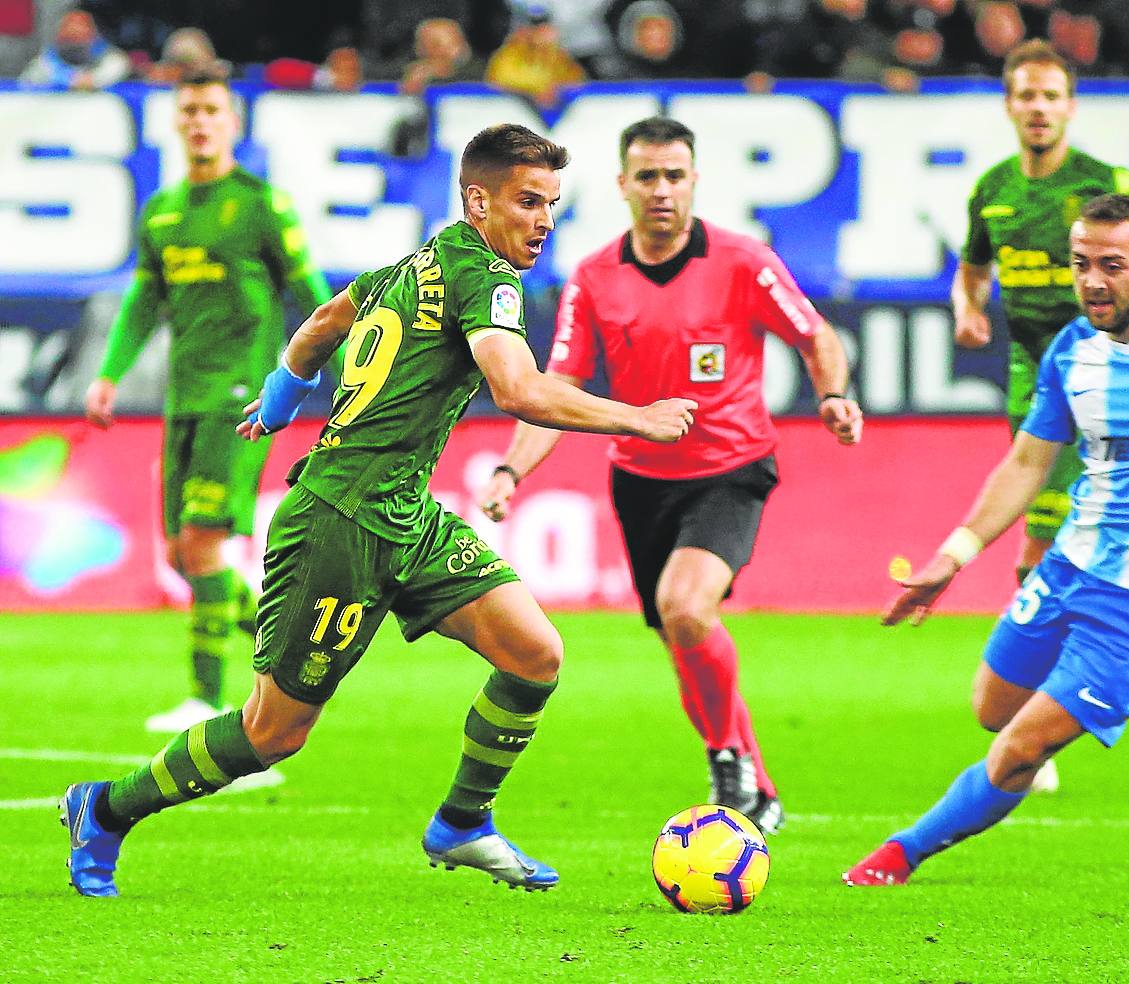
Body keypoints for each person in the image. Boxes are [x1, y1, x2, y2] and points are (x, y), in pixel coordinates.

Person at [60, 123, 698, 898]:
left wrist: (285, 391)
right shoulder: (486, 278)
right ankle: (106, 808)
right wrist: (639, 417)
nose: (543, 220)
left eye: (552, 204)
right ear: (478, 200)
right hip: (338, 519)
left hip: (402, 512)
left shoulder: (415, 263)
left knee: (535, 654)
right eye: (528, 201)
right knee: (273, 732)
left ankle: (462, 822)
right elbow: (519, 390)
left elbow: (328, 320)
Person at [476, 116, 863, 837]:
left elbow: (813, 335)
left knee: (685, 608)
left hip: (731, 469)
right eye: (647, 176)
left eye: (674, 175)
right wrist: (509, 469)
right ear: (623, 185)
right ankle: (754, 783)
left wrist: (833, 393)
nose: (661, 190)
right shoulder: (594, 279)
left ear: (694, 181)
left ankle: (724, 758)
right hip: (640, 481)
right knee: (684, 635)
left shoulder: (744, 262)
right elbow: (554, 386)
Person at [844, 194, 1129, 887]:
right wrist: (952, 556)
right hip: (1068, 567)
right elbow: (1027, 463)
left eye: (1112, 265)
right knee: (992, 706)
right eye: (1080, 264)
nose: (1092, 280)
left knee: (1018, 749)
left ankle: (899, 854)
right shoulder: (1071, 351)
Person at [951, 39, 1129, 791]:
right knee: (1043, 535)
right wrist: (966, 309)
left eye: (1050, 95)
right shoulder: (991, 189)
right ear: (1009, 104)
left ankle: (1084, 698)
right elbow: (972, 269)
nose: (1037, 108)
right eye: (1025, 95)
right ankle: (1045, 716)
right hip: (1041, 376)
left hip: (1119, 375)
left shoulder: (1103, 184)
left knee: (1120, 532)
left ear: (1069, 105)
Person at [83, 72, 333, 734]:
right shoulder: (162, 211)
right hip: (182, 400)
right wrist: (110, 374)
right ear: (175, 121)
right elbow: (143, 301)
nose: (199, 122)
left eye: (211, 111)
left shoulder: (260, 205)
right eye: (189, 110)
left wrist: (351, 364)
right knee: (178, 554)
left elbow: (311, 292)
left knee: (201, 547)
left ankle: (210, 700)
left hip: (240, 398)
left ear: (233, 123)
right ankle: (299, 653)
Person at [19, 8, 130, 90]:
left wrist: (92, 80)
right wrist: (67, 79)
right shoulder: (46, 60)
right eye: (69, 29)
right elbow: (26, 83)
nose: (74, 30)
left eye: (81, 28)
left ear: (92, 33)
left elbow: (117, 68)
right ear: (60, 34)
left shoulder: (112, 58)